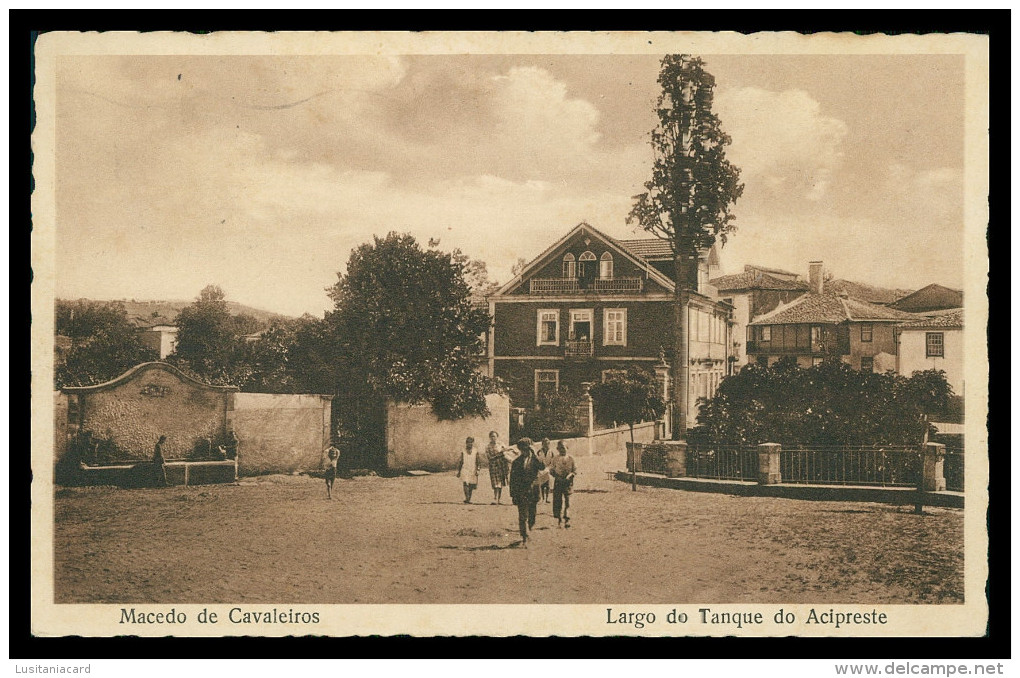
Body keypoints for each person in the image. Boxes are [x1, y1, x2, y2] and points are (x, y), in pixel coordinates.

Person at [509, 438, 545, 547]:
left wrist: (534, 454)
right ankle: (524, 537)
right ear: (520, 450)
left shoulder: (535, 460)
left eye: (528, 449)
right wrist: (513, 495)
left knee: (532, 515)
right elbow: (513, 480)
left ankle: (529, 529)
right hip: (521, 492)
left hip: (533, 491)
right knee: (522, 516)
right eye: (523, 449)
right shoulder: (516, 462)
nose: (526, 451)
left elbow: (542, 467)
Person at [549, 440, 577, 528]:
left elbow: (575, 471)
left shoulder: (571, 458)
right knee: (558, 501)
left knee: (568, 501)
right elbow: (551, 470)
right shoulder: (555, 459)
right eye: (560, 448)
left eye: (564, 448)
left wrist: (570, 475)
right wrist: (556, 476)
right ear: (557, 449)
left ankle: (567, 519)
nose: (562, 450)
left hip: (568, 482)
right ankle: (559, 519)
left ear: (567, 448)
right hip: (558, 481)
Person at [485, 430, 510, 505]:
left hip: (501, 465)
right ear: (490, 437)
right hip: (493, 466)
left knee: (500, 482)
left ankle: (499, 499)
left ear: (497, 437)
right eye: (492, 436)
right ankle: (495, 498)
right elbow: (489, 457)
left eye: (495, 436)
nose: (493, 438)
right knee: (495, 482)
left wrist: (504, 453)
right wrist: (499, 455)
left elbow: (506, 452)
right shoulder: (488, 447)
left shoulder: (501, 444)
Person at [457, 436, 479, 504]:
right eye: (468, 442)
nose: (470, 444)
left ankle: (469, 498)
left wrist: (478, 469)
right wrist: (459, 471)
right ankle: (467, 498)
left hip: (473, 468)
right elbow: (461, 461)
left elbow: (478, 461)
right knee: (465, 482)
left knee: (471, 484)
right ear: (466, 443)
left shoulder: (475, 451)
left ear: (473, 443)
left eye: (471, 442)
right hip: (465, 468)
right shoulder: (463, 451)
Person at [536, 438, 553, 504]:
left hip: (548, 469)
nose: (546, 445)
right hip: (541, 470)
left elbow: (552, 461)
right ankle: (542, 498)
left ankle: (547, 498)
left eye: (547, 444)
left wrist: (549, 468)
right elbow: (537, 460)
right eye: (545, 444)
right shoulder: (539, 451)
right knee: (542, 485)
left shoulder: (551, 452)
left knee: (548, 484)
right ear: (542, 444)